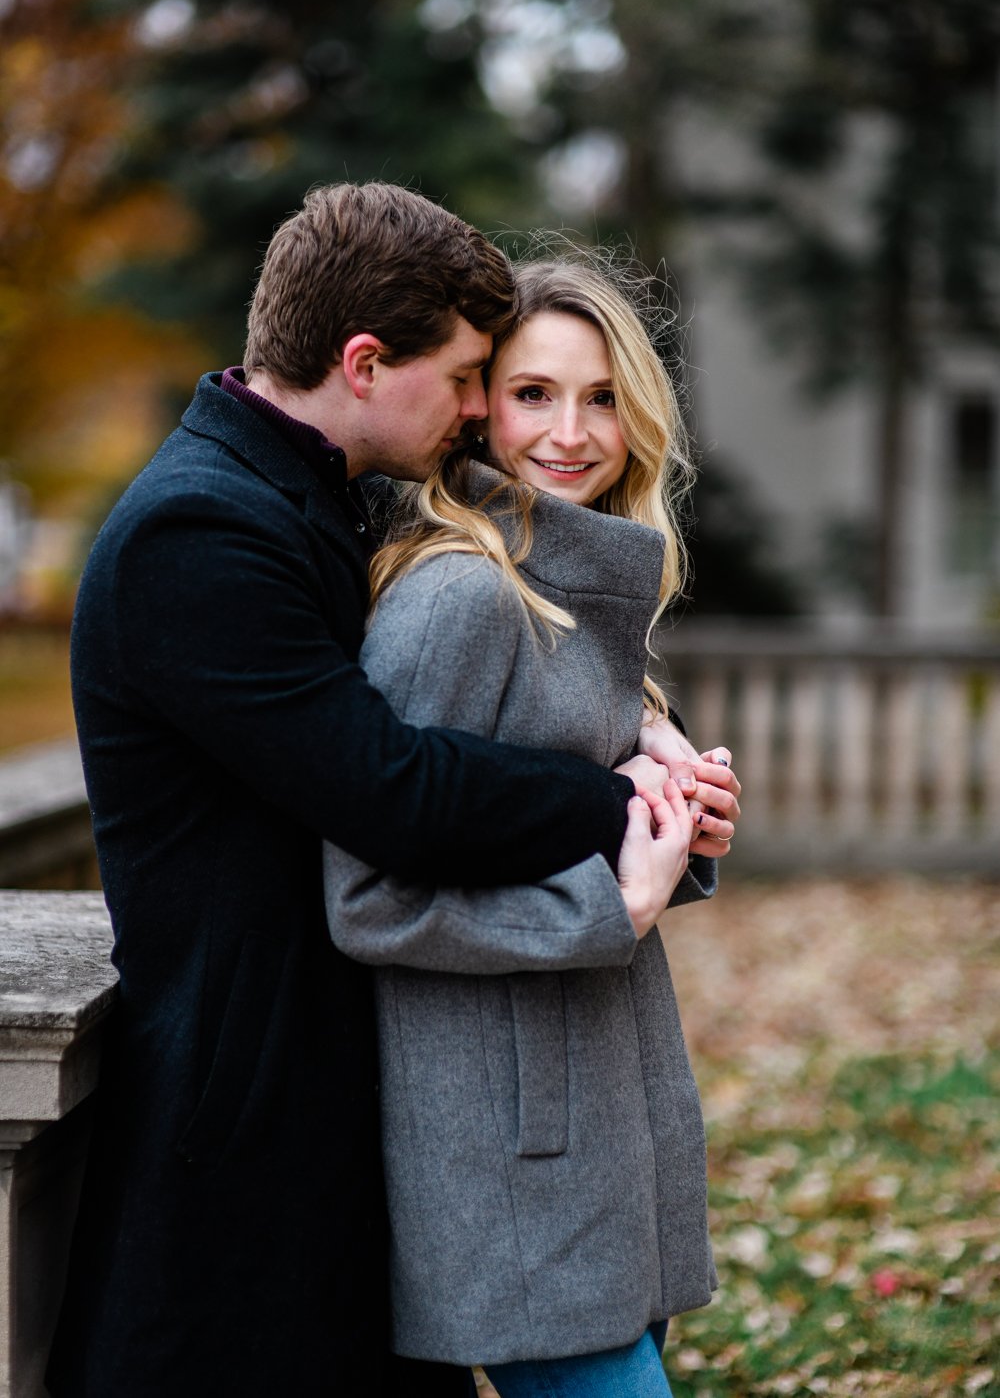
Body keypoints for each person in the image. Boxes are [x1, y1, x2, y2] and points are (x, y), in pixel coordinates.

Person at [48, 184, 737, 1398]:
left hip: (359, 1090)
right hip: (247, 1115)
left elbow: (511, 628)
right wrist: (632, 812)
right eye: (479, 380)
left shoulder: (314, 492)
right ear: (364, 364)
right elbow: (390, 787)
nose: (484, 414)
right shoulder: (198, 531)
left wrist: (645, 732)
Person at [324, 254, 741, 1396]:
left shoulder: (570, 579)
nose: (572, 432)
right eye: (533, 393)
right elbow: (369, 898)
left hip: (600, 1110)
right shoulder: (459, 598)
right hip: (512, 1151)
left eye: (602, 396)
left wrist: (673, 820)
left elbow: (538, 809)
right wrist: (612, 902)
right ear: (478, 408)